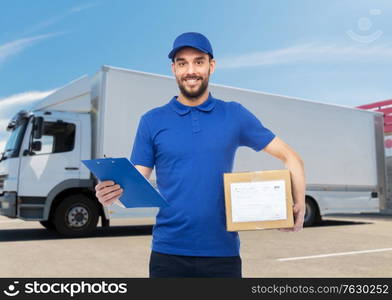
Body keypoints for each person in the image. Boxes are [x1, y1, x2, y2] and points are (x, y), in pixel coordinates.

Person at [95, 32, 306, 278]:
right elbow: (134, 184)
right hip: (168, 255)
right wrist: (110, 194)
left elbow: (291, 158)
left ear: (211, 66)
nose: (190, 70)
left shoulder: (234, 115)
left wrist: (298, 201)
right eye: (182, 63)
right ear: (173, 69)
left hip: (222, 255)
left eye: (198, 61)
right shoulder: (152, 121)